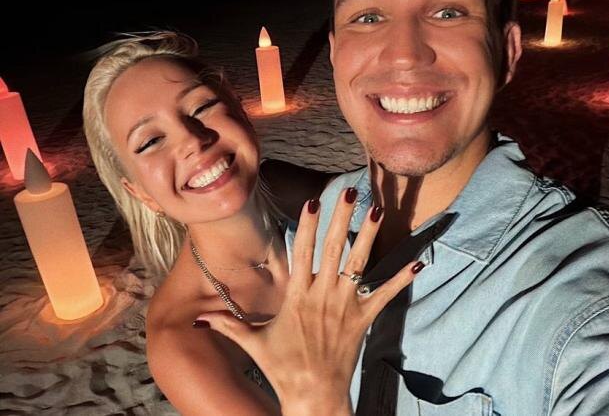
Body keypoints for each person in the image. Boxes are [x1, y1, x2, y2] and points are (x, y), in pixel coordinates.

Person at [201, 0, 609, 414]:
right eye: (368, 16)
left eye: (449, 12)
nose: (404, 55)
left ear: (507, 52)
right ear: (334, 55)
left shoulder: (571, 295)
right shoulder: (326, 214)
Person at [82, 32, 421, 415]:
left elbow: (399, 196)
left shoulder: (287, 189)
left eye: (201, 107)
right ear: (140, 193)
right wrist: (320, 390)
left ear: (238, 108)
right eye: (150, 141)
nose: (192, 140)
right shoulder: (186, 340)